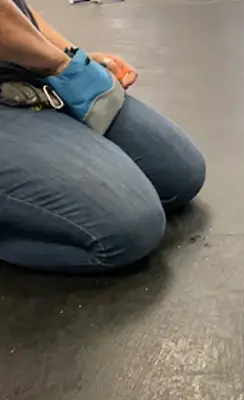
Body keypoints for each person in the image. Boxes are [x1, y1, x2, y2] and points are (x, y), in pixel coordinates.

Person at [0, 0, 206, 273]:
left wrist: (71, 55)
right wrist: (63, 66)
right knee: (127, 228)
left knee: (178, 174)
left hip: (18, 67)